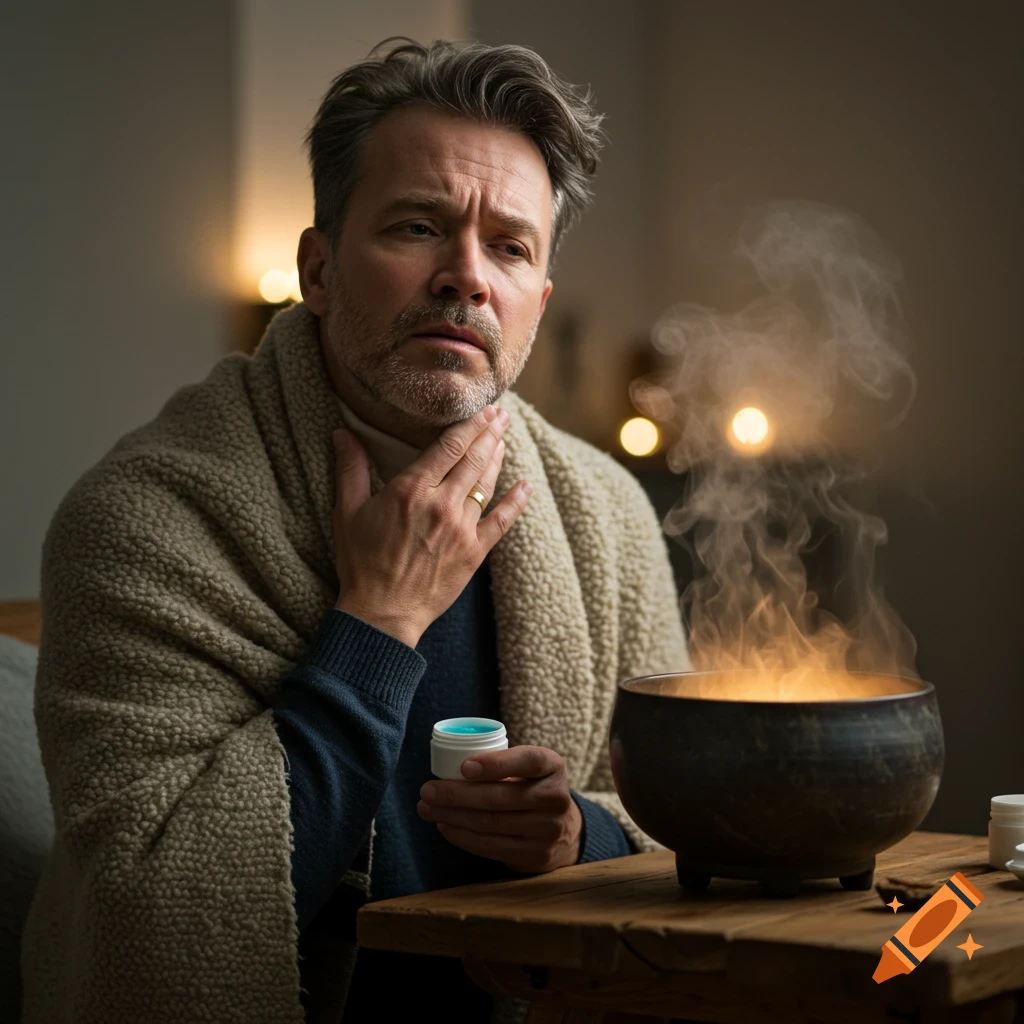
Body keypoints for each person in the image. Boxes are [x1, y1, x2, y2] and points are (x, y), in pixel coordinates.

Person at [20, 37, 689, 1024]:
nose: (467, 277)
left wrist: (576, 838)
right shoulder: (144, 521)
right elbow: (157, 910)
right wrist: (376, 621)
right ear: (319, 268)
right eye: (417, 227)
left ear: (536, 304)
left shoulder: (608, 518)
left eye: (509, 247)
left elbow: (676, 839)